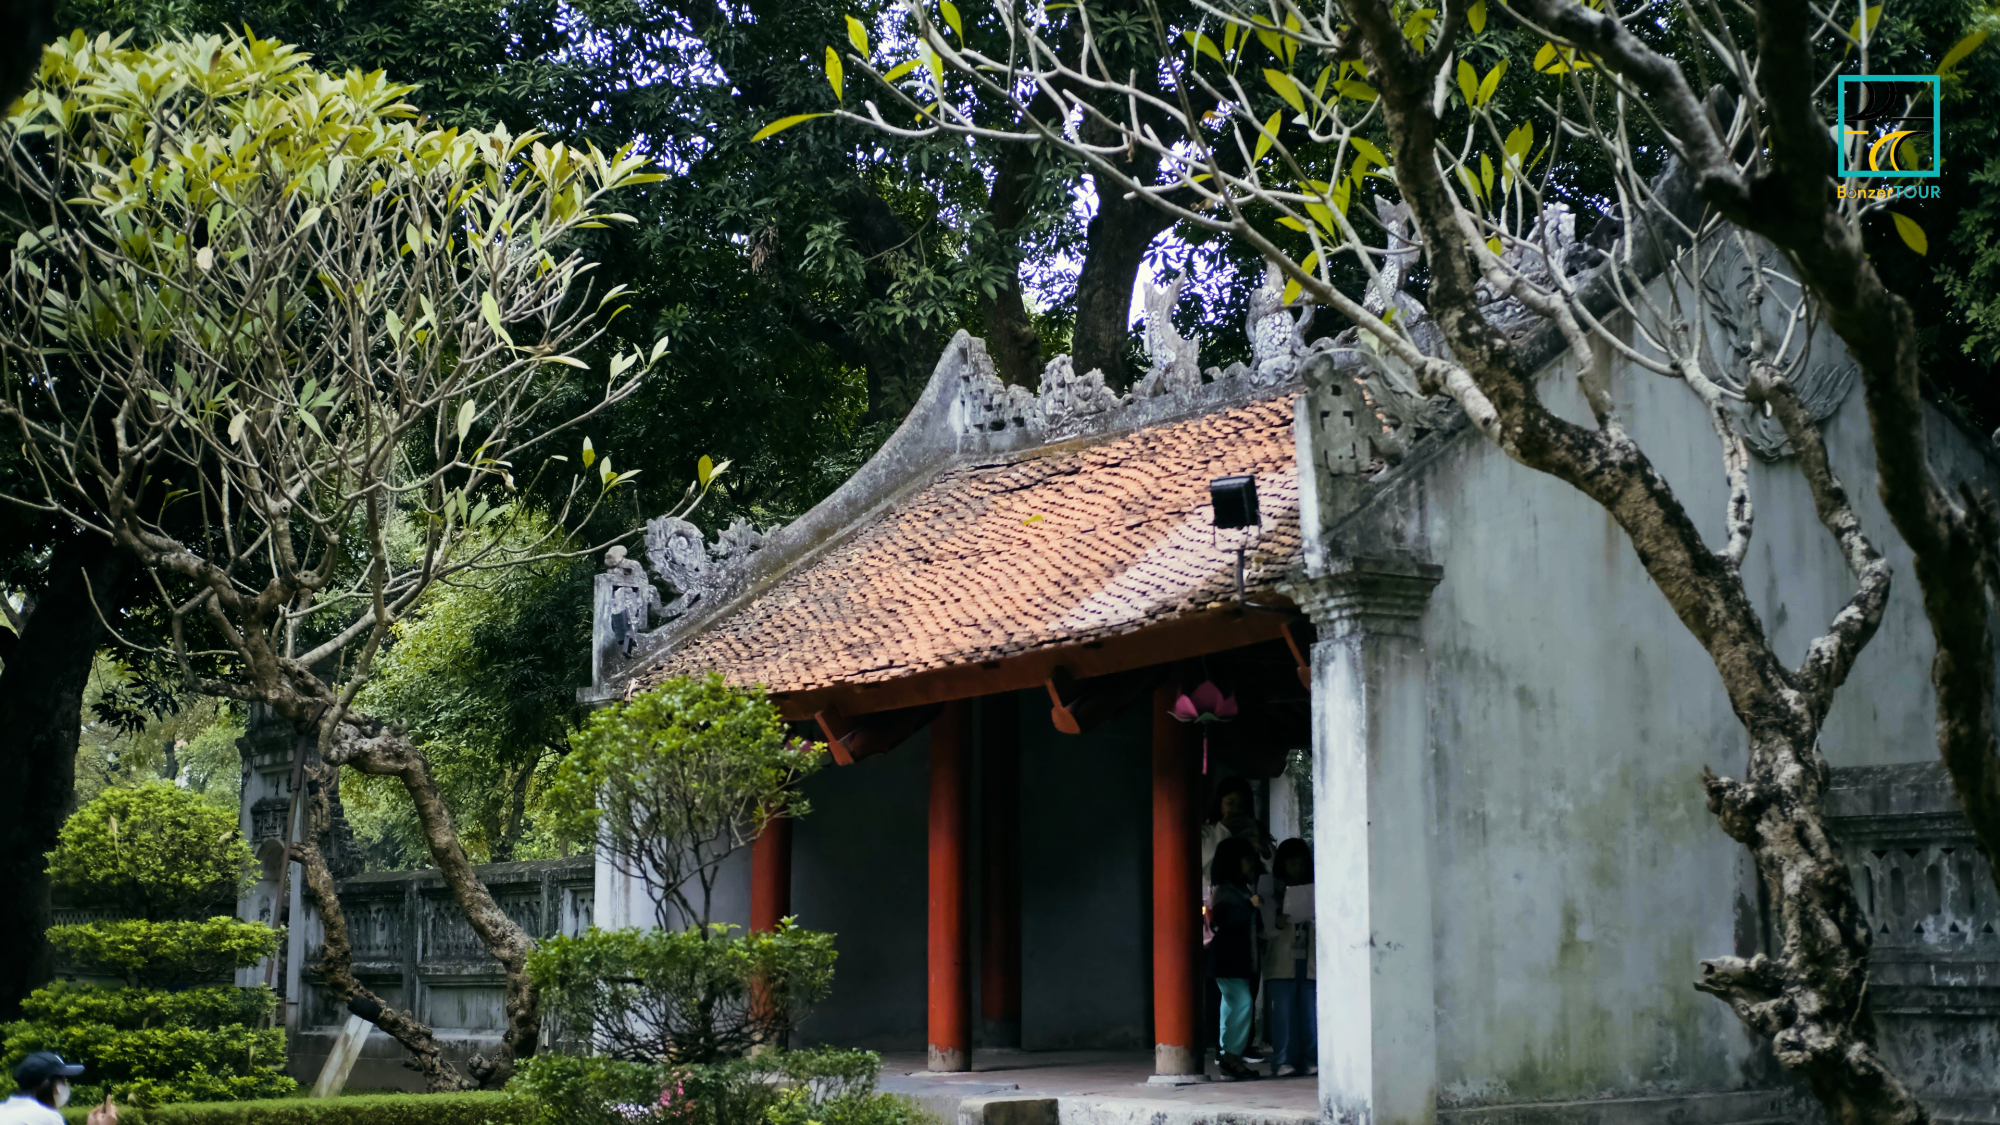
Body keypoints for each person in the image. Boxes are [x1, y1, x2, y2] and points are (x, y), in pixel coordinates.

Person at [1206, 836, 1265, 1081]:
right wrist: (1250, 905)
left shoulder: (1239, 890)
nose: (1251, 864)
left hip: (1236, 961)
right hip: (1229, 961)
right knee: (1242, 1004)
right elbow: (1223, 921)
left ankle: (1230, 1058)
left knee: (1232, 1006)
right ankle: (1231, 1058)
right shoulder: (1225, 892)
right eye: (1246, 860)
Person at [1265, 838, 1317, 1077]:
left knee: (1311, 1009)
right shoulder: (1269, 890)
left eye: (1301, 864)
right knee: (1284, 1011)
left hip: (1310, 957)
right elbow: (1263, 929)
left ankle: (1311, 1058)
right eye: (1292, 864)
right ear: (1282, 865)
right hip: (1281, 958)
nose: (1298, 869)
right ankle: (1284, 1059)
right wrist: (1276, 922)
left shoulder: (1316, 888)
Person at [0, 1052, 115, 1125]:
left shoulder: (3, 1109)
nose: (64, 1087)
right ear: (48, 1084)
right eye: (62, 1082)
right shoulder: (46, 1117)